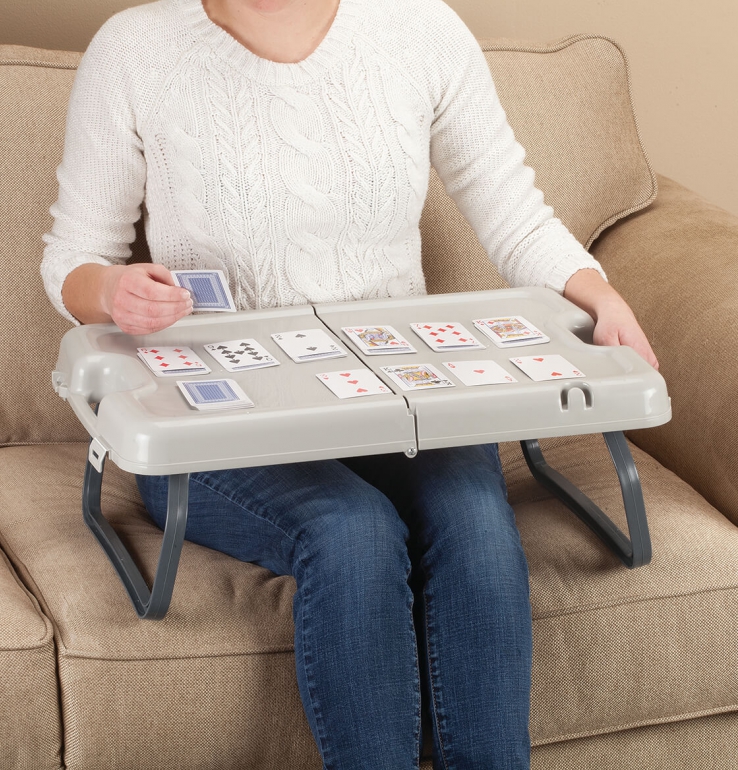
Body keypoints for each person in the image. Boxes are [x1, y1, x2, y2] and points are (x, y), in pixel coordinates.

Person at [42, 0, 658, 767]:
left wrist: (599, 295)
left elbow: (513, 210)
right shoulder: (134, 48)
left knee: (473, 519)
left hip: (401, 396)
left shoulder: (421, 30)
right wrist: (112, 292)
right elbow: (74, 252)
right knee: (352, 530)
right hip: (222, 421)